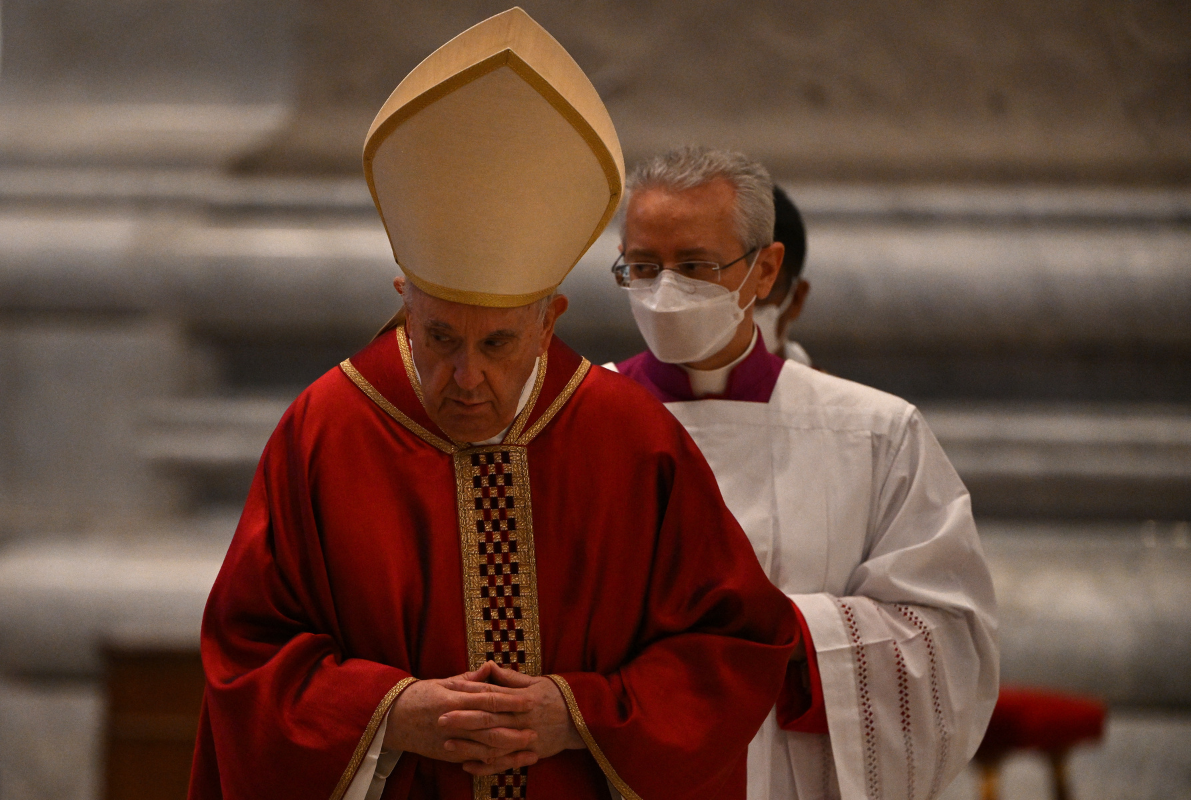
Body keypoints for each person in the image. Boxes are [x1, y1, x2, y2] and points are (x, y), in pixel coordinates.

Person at [189, 16, 799, 800]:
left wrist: (578, 711)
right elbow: (247, 657)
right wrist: (388, 712)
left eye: (499, 345)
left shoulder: (627, 436)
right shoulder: (329, 429)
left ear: (550, 320)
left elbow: (736, 642)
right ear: (404, 299)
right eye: (440, 336)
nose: (464, 376)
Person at [610, 146, 999, 800]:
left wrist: (791, 633)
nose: (665, 290)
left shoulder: (874, 432)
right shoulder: (571, 420)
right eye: (643, 267)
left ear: (764, 271)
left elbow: (948, 640)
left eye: (696, 266)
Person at [752, 187, 811, 365]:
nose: (739, 310)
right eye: (726, 291)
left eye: (761, 292)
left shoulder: (827, 391)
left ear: (796, 299)